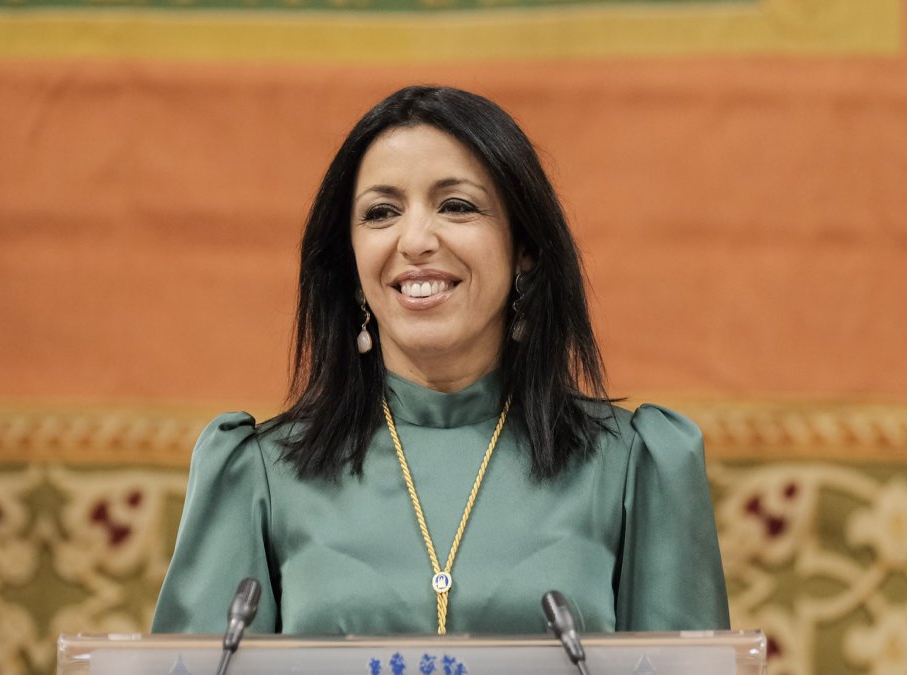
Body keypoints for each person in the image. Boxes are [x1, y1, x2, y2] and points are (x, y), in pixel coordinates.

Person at [151, 85, 729, 636]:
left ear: (524, 250)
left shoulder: (634, 466)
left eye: (456, 206)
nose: (415, 240)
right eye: (380, 213)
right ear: (351, 264)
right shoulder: (257, 474)